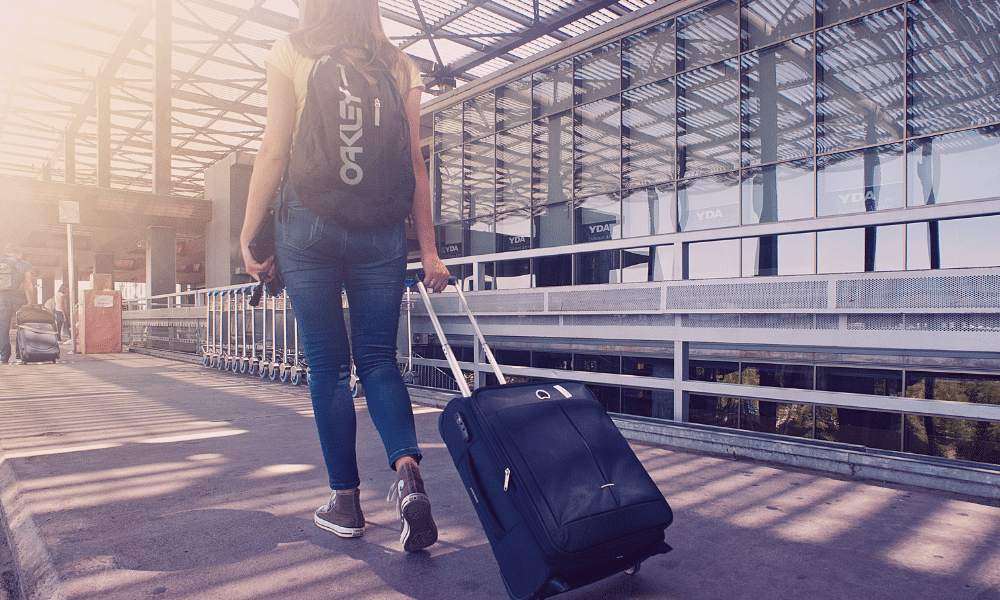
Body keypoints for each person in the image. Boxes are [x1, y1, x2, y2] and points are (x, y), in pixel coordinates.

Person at [239, 0, 451, 552]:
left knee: (329, 370)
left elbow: (274, 148)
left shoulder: (292, 50)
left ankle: (346, 502)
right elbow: (414, 161)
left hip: (307, 225)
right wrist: (429, 252)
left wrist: (247, 230)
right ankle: (407, 475)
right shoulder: (400, 64)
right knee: (378, 360)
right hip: (381, 231)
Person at [1, 244, 35, 365]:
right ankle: (21, 353)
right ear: (19, 252)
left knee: (2, 327)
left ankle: (3, 357)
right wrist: (30, 301)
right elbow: (28, 283)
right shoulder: (25, 264)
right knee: (22, 326)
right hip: (20, 298)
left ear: (7, 252)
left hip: (2, 298)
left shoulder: (2, 263)